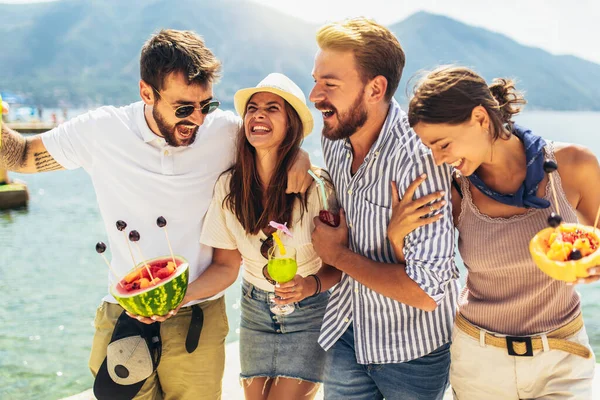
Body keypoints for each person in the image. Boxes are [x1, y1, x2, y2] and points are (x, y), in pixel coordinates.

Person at [0, 29, 312, 399]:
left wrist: (298, 156)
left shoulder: (224, 132)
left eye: (206, 105)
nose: (197, 119)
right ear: (146, 92)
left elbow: (273, 142)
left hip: (198, 316)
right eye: (183, 108)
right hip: (124, 313)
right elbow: (19, 156)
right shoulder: (102, 130)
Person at [392, 65, 599, 399]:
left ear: (480, 118)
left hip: (562, 357)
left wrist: (593, 265)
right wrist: (397, 235)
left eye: (443, 144)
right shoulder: (453, 190)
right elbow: (424, 273)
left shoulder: (574, 165)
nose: (439, 159)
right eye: (431, 148)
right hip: (479, 361)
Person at [308, 17, 459, 400]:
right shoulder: (335, 138)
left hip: (412, 350)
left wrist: (337, 255)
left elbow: (426, 292)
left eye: (330, 84)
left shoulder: (419, 160)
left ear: (375, 89)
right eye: (315, 80)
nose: (315, 95)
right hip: (347, 327)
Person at [192, 72, 342, 400]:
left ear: (292, 125)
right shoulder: (229, 187)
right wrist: (180, 296)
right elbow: (224, 266)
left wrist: (309, 286)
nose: (258, 114)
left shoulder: (318, 188)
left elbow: (340, 265)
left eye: (272, 108)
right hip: (255, 307)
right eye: (253, 108)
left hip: (310, 308)